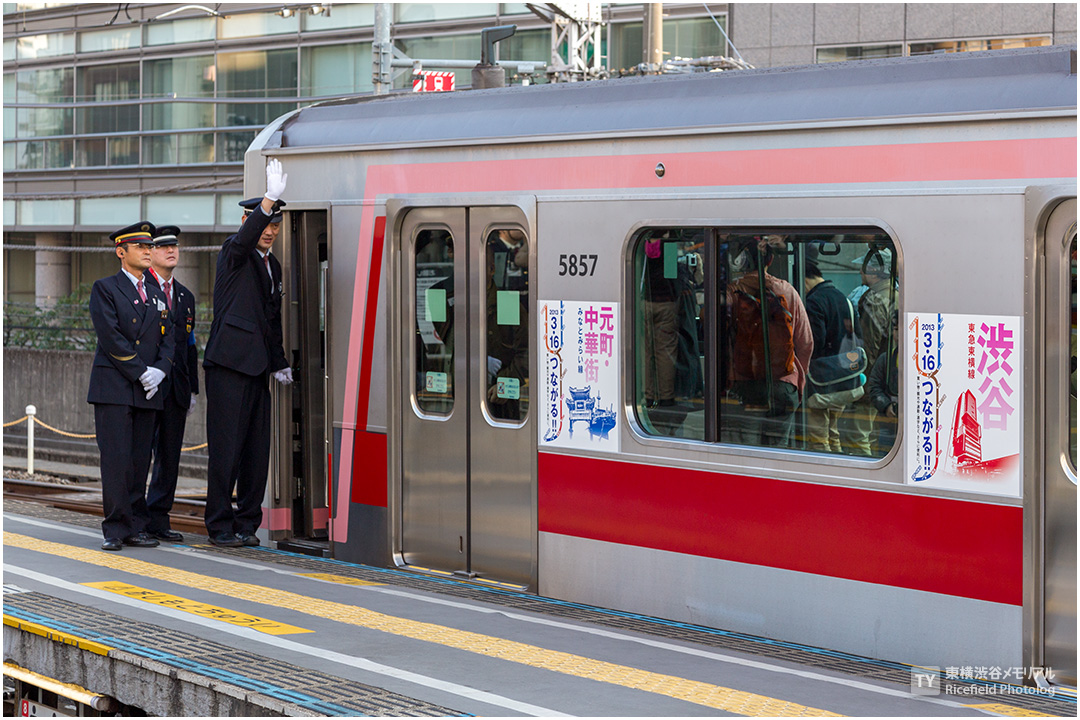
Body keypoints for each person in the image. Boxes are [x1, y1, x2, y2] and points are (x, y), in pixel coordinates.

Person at [202, 159, 292, 548]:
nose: (270, 231)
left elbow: (271, 320)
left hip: (257, 368)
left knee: (257, 448)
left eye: (275, 225)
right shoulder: (233, 254)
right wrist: (268, 199)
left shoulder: (274, 266)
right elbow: (243, 241)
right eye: (264, 223)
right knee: (227, 448)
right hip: (228, 364)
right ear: (248, 221)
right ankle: (220, 525)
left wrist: (280, 361)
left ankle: (246, 523)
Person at [87, 221, 175, 551]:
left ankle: (137, 524)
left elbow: (170, 338)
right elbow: (111, 337)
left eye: (150, 247)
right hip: (115, 386)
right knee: (116, 459)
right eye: (141, 247)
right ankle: (115, 527)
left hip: (148, 387)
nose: (149, 252)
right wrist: (141, 371)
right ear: (121, 252)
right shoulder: (105, 288)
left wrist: (161, 371)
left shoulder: (156, 294)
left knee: (140, 460)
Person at [724, 235, 813, 447]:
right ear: (770, 261)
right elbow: (806, 342)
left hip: (746, 386)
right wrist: (797, 376)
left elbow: (720, 337)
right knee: (778, 451)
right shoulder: (787, 291)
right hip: (783, 384)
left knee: (747, 452)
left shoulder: (732, 292)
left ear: (741, 261)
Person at [143, 225, 198, 542]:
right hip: (147, 385)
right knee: (139, 456)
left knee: (169, 456)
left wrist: (192, 388)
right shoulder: (140, 288)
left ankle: (158, 517)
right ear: (150, 253)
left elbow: (190, 344)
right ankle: (135, 517)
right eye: (164, 247)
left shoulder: (185, 296)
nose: (171, 251)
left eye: (174, 246)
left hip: (175, 388)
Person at [803, 248, 863, 453]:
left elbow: (814, 342)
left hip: (822, 377)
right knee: (833, 431)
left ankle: (825, 473)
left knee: (818, 436)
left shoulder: (814, 301)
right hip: (843, 374)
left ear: (805, 279)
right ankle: (839, 462)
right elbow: (857, 335)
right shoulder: (843, 298)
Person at [846, 246, 897, 456]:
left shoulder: (875, 299)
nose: (860, 273)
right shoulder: (897, 293)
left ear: (875, 272)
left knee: (859, 435)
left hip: (876, 377)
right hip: (891, 378)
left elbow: (870, 346)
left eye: (864, 269)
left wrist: (864, 383)